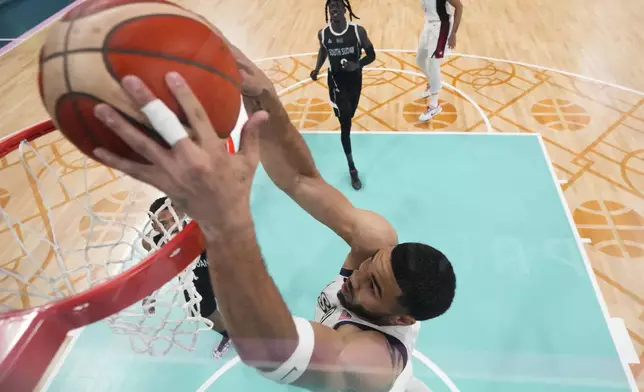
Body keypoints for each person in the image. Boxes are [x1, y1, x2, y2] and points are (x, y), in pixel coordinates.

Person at [91, 35, 456, 391]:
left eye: (373, 287)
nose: (357, 276)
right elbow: (301, 179)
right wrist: (264, 98)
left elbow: (267, 350)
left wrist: (223, 221)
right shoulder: (374, 248)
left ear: (400, 319)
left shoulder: (369, 365)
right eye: (369, 267)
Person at [141, 196, 231, 359]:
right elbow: (155, 268)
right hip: (192, 280)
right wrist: (149, 294)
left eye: (173, 218)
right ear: (155, 226)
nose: (172, 225)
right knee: (206, 313)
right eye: (164, 222)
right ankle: (228, 335)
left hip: (218, 270)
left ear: (182, 214)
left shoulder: (201, 227)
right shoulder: (154, 241)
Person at [310, 0, 376, 191]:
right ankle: (352, 168)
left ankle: (346, 119)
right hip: (336, 84)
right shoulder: (323, 34)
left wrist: (358, 65)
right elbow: (323, 50)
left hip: (355, 81)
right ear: (328, 10)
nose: (336, 8)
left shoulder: (357, 31)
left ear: (345, 9)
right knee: (345, 122)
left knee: (350, 114)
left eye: (339, 5)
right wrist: (316, 69)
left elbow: (372, 55)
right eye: (332, 6)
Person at [416, 0, 464, 122]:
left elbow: (459, 6)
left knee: (433, 64)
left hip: (441, 27)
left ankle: (434, 105)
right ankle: (432, 82)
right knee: (420, 59)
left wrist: (453, 33)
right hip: (428, 25)